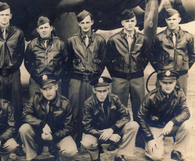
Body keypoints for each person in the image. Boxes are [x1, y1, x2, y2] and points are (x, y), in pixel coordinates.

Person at [19, 74, 78, 161]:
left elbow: (68, 128)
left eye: (50, 88)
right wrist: (42, 124)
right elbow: (25, 115)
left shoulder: (65, 103)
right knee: (24, 129)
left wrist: (53, 137)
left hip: (56, 135)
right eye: (44, 89)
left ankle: (59, 157)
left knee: (71, 150)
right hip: (39, 134)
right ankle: (32, 160)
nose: (48, 92)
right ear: (41, 90)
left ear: (56, 87)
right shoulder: (35, 98)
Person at [67, 10, 106, 147]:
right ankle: (74, 140)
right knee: (74, 110)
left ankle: (94, 141)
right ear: (78, 23)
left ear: (92, 22)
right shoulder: (72, 41)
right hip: (76, 79)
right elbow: (67, 63)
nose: (85, 25)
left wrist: (94, 75)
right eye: (82, 23)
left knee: (92, 110)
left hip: (91, 80)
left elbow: (102, 61)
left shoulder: (100, 40)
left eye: (87, 22)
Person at [81, 76, 139, 161]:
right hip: (97, 133)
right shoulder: (88, 104)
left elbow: (126, 116)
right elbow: (86, 127)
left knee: (133, 125)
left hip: (113, 131)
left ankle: (120, 155)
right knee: (86, 142)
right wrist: (105, 134)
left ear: (108, 90)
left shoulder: (114, 99)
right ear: (94, 90)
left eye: (104, 91)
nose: (102, 94)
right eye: (99, 91)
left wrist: (112, 130)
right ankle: (95, 154)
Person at [0, 2, 25, 129]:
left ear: (11, 16)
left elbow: (21, 53)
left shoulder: (18, 33)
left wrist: (13, 67)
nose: (4, 18)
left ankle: (17, 136)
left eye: (7, 15)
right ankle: (0, 133)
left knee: (16, 105)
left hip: (14, 73)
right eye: (2, 15)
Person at [137, 70, 191, 161]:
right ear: (159, 82)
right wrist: (149, 138)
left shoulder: (179, 94)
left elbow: (186, 112)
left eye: (171, 82)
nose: (168, 86)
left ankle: (177, 151)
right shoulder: (151, 97)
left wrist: (172, 122)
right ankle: (147, 143)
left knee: (187, 125)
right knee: (156, 157)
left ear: (175, 82)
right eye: (165, 82)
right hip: (155, 127)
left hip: (170, 127)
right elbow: (141, 116)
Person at [106, 10, 148, 121]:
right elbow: (108, 60)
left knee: (139, 108)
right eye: (127, 21)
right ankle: (119, 134)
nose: (130, 24)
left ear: (135, 22)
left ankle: (140, 135)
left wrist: (138, 69)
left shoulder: (142, 39)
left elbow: (146, 57)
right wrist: (116, 73)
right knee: (118, 108)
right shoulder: (114, 40)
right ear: (122, 23)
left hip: (137, 78)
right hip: (119, 79)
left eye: (132, 21)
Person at [150, 8, 195, 95]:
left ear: (179, 20)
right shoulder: (159, 37)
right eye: (169, 19)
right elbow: (152, 55)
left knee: (180, 99)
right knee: (162, 100)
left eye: (174, 19)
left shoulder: (188, 37)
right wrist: (160, 69)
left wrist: (184, 67)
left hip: (181, 75)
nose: (171, 22)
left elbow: (193, 55)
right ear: (166, 21)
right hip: (164, 74)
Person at [24, 16, 68, 97]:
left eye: (46, 27)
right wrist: (37, 77)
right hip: (36, 82)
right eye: (41, 28)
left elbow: (66, 63)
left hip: (54, 81)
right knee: (35, 105)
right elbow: (27, 63)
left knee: (56, 106)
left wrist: (56, 76)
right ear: (38, 30)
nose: (44, 30)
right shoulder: (32, 45)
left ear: (51, 28)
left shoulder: (60, 44)